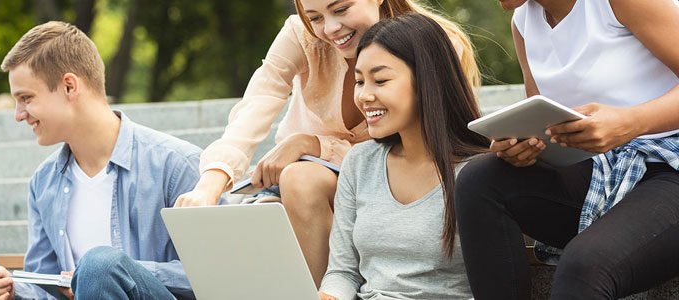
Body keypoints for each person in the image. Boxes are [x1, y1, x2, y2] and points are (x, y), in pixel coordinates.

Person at [176, 0, 480, 286]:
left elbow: (426, 144)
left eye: (341, 9)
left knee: (301, 179)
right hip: (290, 188)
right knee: (258, 224)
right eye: (315, 17)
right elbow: (258, 101)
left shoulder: (433, 42)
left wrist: (313, 144)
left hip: (376, 184)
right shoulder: (301, 36)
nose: (331, 28)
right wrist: (209, 186)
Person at [0, 21, 215, 300]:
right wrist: (14, 291)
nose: (18, 114)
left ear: (69, 86)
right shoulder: (43, 182)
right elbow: (45, 289)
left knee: (100, 265)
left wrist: (116, 273)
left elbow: (219, 271)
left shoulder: (177, 164)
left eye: (26, 98)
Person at [455, 0, 679, 299]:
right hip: (602, 173)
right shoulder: (524, 22)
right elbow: (545, 121)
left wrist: (631, 122)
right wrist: (525, 146)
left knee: (585, 265)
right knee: (479, 179)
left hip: (669, 168)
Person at [316, 14, 488, 300]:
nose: (365, 96)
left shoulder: (479, 171)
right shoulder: (360, 162)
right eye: (359, 82)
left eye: (380, 80)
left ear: (426, 81)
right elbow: (343, 272)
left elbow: (494, 282)